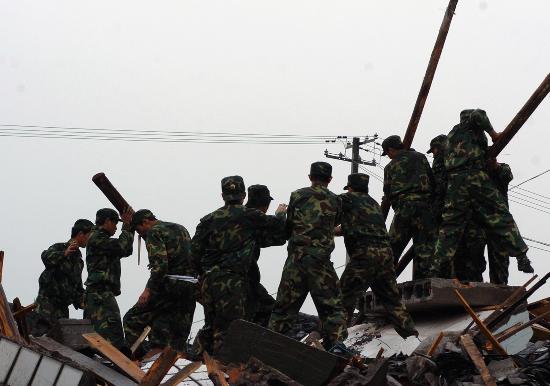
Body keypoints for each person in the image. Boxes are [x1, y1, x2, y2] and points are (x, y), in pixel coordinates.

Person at [191, 176, 286, 353]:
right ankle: (224, 371)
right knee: (229, 330)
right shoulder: (249, 215)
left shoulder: (208, 220)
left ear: (222, 195)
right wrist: (281, 212)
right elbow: (278, 226)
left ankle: (199, 362)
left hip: (208, 281)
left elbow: (194, 252)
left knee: (210, 326)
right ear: (243, 195)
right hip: (232, 282)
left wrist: (201, 276)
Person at [434, 109, 533, 278]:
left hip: (455, 182)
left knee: (450, 225)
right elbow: (479, 114)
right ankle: (521, 254)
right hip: (474, 176)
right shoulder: (471, 127)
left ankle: (438, 265)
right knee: (501, 215)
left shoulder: (452, 136)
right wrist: (494, 134)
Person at [268, 162, 348, 351]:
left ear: (310, 177)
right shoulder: (336, 200)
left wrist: (279, 215)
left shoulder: (297, 195)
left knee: (283, 310)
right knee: (332, 308)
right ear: (330, 179)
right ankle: (336, 347)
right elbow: (332, 224)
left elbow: (289, 227)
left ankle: (269, 347)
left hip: (296, 260)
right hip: (320, 262)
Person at [337, 173, 418, 338]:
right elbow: (356, 227)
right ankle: (412, 339)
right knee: (393, 302)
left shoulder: (346, 199)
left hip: (364, 256)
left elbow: (327, 215)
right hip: (385, 257)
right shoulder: (373, 203)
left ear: (350, 187)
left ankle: (335, 344)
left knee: (342, 300)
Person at [123, 209, 196, 355]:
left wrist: (148, 290)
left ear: (145, 222)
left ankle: (138, 360)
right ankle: (173, 362)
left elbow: (160, 266)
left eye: (139, 230)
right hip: (190, 286)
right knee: (175, 329)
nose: (140, 234)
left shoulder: (153, 232)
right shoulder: (180, 228)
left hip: (169, 285)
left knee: (131, 319)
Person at [382, 135, 437, 279]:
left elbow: (387, 192)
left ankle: (385, 281)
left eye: (387, 153)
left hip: (404, 208)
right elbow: (432, 181)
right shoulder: (420, 157)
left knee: (392, 247)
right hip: (424, 207)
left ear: (391, 149)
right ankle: (424, 280)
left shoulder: (390, 167)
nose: (388, 156)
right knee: (425, 247)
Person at [84, 208, 134, 352]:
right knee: (113, 335)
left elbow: (126, 250)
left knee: (106, 334)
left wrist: (129, 229)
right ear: (106, 221)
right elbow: (121, 246)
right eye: (114, 223)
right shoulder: (97, 238)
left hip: (101, 294)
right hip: (99, 294)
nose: (116, 227)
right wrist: (127, 225)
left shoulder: (101, 239)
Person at [34, 219, 94, 334]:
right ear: (81, 234)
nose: (90, 240)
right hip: (47, 305)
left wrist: (83, 302)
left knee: (59, 342)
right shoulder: (59, 247)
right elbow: (46, 257)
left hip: (62, 310)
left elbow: (77, 287)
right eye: (89, 236)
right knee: (40, 337)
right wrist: (64, 254)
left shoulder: (79, 261)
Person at [244, 185, 287, 326]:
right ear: (266, 204)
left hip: (213, 279)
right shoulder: (254, 217)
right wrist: (281, 214)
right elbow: (277, 226)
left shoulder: (233, 218)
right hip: (244, 281)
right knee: (267, 309)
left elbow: (273, 239)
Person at [486, 158, 514, 284]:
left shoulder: (502, 168)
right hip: (476, 222)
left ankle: (499, 289)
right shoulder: (474, 170)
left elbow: (507, 174)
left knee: (500, 261)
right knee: (472, 262)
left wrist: (494, 165)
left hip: (498, 222)